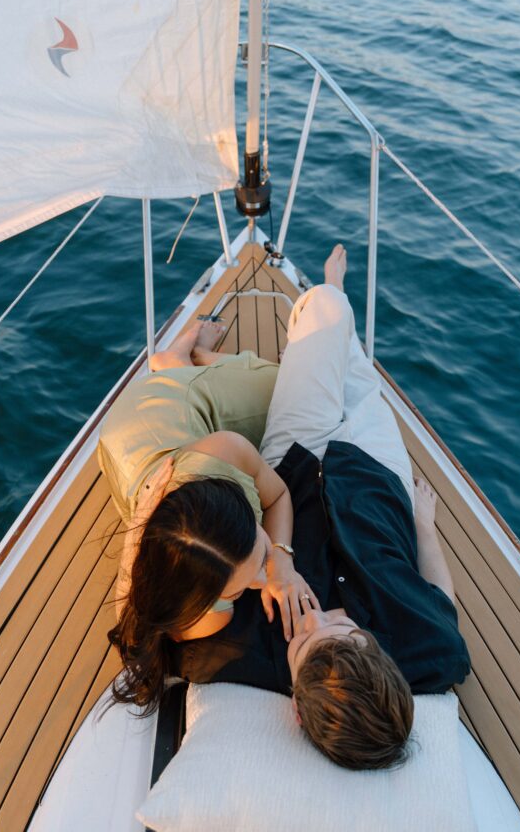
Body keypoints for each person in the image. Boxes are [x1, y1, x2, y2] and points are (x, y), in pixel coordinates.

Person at [171, 245, 471, 770]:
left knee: (327, 309)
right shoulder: (435, 655)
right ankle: (332, 325)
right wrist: (424, 527)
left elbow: (164, 628)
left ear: (296, 713)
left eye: (304, 640)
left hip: (295, 457)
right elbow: (440, 596)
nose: (318, 617)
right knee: (363, 382)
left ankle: (328, 312)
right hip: (379, 473)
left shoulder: (238, 655)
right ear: (381, 655)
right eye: (344, 626)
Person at [99, 317, 319, 714]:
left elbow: (278, 494)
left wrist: (282, 562)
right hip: (131, 439)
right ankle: (178, 362)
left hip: (169, 413)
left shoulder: (226, 451)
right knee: (302, 383)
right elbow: (134, 636)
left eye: (259, 546)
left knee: (292, 381)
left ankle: (180, 363)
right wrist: (135, 539)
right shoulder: (197, 610)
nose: (261, 576)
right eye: (236, 590)